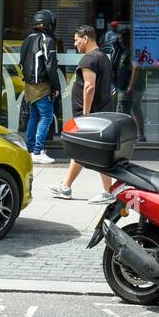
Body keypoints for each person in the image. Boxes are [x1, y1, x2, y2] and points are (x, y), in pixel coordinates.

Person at [51, 25, 118, 202]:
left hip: (90, 115)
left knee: (95, 152)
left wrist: (86, 114)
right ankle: (66, 187)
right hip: (100, 112)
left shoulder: (89, 59)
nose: (75, 44)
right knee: (81, 149)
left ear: (86, 38)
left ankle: (108, 192)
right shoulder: (102, 57)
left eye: (76, 40)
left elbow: (89, 86)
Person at [19, 10, 62, 165]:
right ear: (49, 23)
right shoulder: (47, 40)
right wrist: (56, 86)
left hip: (29, 85)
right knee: (46, 117)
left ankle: (30, 150)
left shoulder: (28, 39)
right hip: (42, 85)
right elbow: (51, 66)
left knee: (33, 116)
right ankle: (37, 151)